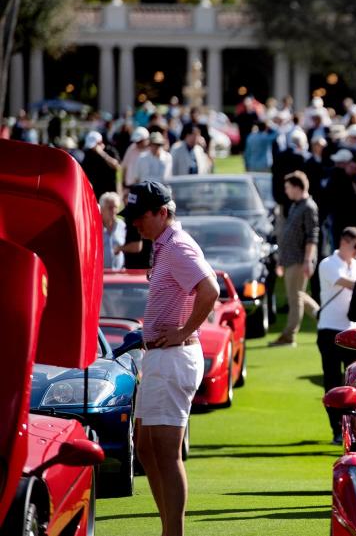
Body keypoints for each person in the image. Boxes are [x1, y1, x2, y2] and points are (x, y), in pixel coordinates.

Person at [121, 181, 218, 536]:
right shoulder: (163, 245)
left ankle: (172, 533)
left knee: (164, 449)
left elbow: (211, 289)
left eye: (140, 216)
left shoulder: (176, 245)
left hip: (174, 354)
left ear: (162, 212)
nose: (135, 224)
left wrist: (181, 331)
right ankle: (167, 528)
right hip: (162, 355)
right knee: (146, 446)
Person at [316, 227, 356, 444]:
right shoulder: (328, 264)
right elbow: (349, 284)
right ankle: (336, 429)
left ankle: (355, 429)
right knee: (332, 381)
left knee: (355, 384)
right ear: (344, 242)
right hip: (329, 329)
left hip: (353, 332)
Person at [270, 171, 321, 347]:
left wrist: (307, 260)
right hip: (291, 259)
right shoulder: (295, 206)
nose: (286, 191)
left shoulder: (309, 207)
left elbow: (312, 236)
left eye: (288, 187)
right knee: (299, 296)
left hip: (300, 260)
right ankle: (324, 317)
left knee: (295, 298)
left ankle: (289, 336)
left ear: (297, 187)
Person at [81, 131, 121, 199]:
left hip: (110, 190)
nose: (92, 148)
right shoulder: (89, 154)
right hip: (96, 191)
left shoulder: (110, 150)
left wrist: (101, 153)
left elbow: (117, 166)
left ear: (100, 142)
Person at [100, 191, 126, 270]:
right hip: (101, 274)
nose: (114, 210)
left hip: (119, 274)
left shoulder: (122, 226)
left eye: (116, 207)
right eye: (110, 207)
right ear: (102, 209)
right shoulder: (95, 226)